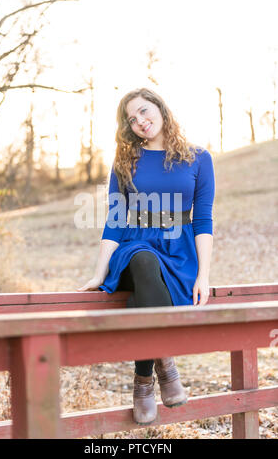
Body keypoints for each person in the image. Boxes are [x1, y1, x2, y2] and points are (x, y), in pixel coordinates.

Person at [77, 87, 215, 426]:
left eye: (143, 111)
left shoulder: (199, 158)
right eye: (131, 119)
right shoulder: (125, 161)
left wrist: (204, 275)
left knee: (144, 294)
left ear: (159, 107)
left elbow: (203, 220)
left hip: (179, 254)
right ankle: (165, 365)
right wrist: (98, 273)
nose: (140, 121)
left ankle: (142, 381)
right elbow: (114, 220)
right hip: (133, 248)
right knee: (143, 261)